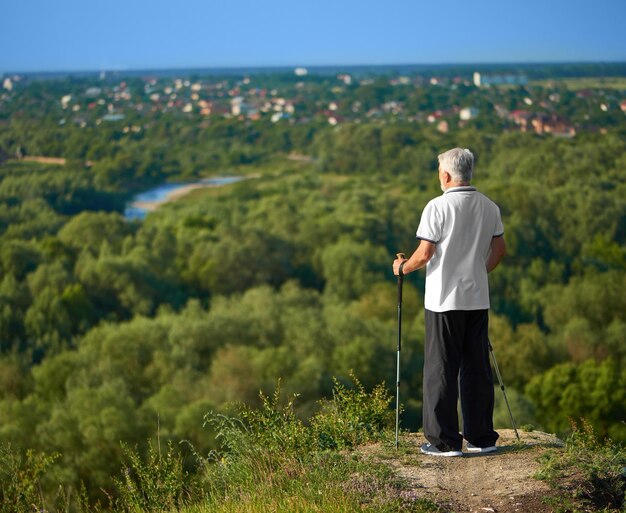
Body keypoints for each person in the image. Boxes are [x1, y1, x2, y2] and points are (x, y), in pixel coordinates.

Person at [392, 147, 506, 457]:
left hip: (444, 300)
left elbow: (425, 254)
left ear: (445, 175)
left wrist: (401, 267)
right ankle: (482, 438)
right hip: (477, 297)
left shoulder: (437, 207)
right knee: (476, 368)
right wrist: (477, 272)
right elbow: (498, 251)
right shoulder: (489, 207)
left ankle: (443, 442)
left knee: (441, 369)